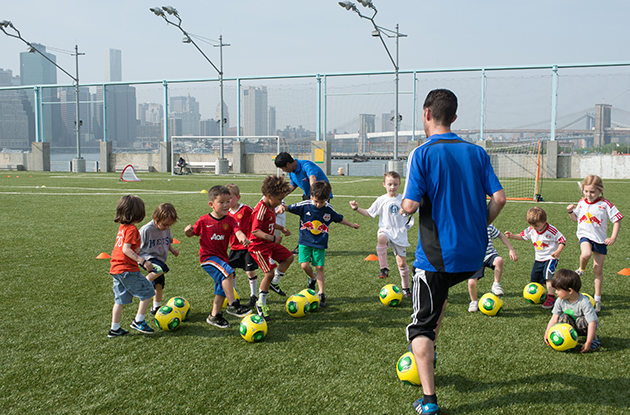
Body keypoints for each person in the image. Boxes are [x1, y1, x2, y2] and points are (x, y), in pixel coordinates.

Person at [401, 89, 506, 415]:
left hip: (435, 257)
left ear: (426, 114)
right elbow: (499, 199)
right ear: (455, 118)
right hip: (473, 257)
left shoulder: (422, 154)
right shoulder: (477, 152)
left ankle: (430, 400)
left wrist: (404, 205)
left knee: (419, 327)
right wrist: (478, 227)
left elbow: (410, 204)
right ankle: (429, 353)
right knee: (439, 300)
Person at [281, 181, 359, 307]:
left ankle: (321, 293)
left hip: (320, 243)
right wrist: (281, 207)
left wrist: (351, 224)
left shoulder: (328, 209)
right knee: (304, 265)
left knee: (320, 267)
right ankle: (312, 278)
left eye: (322, 202)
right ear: (311, 196)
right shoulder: (305, 205)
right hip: (304, 242)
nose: (318, 205)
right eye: (316, 201)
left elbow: (338, 218)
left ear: (327, 199)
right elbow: (289, 207)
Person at [184, 185, 251, 329]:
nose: (226, 205)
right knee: (228, 272)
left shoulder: (230, 220)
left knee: (222, 287)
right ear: (211, 204)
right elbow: (191, 233)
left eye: (228, 201)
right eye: (222, 202)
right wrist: (187, 230)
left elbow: (238, 232)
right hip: (208, 258)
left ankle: (214, 316)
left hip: (221, 259)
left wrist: (243, 238)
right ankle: (233, 305)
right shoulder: (203, 220)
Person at [349, 171, 414, 297]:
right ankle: (384, 268)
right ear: (384, 184)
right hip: (386, 229)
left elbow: (411, 212)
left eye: (395, 184)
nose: (392, 187)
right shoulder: (381, 200)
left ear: (399, 184)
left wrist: (405, 211)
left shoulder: (403, 199)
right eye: (389, 184)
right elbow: (369, 213)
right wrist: (356, 208)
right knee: (381, 237)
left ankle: (406, 288)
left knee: (402, 264)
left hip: (400, 233)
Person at [567, 175, 622, 312]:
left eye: (592, 192)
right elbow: (575, 219)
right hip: (585, 236)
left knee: (598, 270)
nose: (589, 195)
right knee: (585, 254)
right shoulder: (581, 203)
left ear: (600, 191)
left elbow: (617, 220)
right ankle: (581, 269)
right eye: (586, 191)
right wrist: (570, 211)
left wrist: (613, 237)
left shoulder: (605, 204)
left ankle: (597, 299)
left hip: (600, 239)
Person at [108, 195, 157, 337]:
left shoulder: (122, 227)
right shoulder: (131, 229)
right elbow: (126, 249)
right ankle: (138, 320)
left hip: (115, 269)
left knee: (119, 300)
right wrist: (143, 261)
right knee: (148, 291)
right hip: (126, 269)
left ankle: (115, 328)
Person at [248, 175, 295, 321]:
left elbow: (269, 223)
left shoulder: (270, 206)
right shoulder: (260, 210)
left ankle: (274, 284)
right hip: (258, 246)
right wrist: (273, 238)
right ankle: (260, 304)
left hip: (268, 244)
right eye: (280, 199)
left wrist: (282, 228)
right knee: (268, 273)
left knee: (288, 257)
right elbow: (255, 231)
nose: (281, 202)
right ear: (269, 196)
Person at [505, 206, 566, 309]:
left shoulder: (551, 230)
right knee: (535, 279)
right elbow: (522, 236)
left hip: (551, 258)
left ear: (544, 221)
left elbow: (562, 240)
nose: (534, 227)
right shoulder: (531, 229)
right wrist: (512, 236)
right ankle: (541, 295)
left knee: (548, 276)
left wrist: (558, 251)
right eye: (532, 225)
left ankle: (551, 297)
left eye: (536, 225)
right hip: (539, 258)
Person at [544, 269, 600, 352]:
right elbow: (554, 318)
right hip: (572, 326)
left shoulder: (584, 302)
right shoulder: (560, 300)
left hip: (584, 327)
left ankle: (594, 340)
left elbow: (592, 323)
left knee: (582, 320)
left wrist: (588, 342)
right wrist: (548, 332)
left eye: (558, 290)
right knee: (563, 317)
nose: (556, 292)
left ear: (570, 291)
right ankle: (569, 339)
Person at [139, 203, 180, 315]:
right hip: (147, 258)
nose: (167, 227)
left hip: (160, 260)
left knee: (159, 285)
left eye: (169, 225)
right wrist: (141, 261)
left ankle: (156, 307)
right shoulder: (146, 229)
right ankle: (143, 283)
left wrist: (172, 250)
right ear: (156, 218)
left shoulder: (167, 228)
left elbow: (167, 241)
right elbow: (136, 247)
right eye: (165, 224)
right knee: (163, 268)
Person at [467, 224, 517, 312]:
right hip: (475, 259)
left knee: (499, 260)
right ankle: (474, 301)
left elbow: (500, 235)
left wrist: (511, 249)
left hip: (489, 254)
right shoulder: (466, 227)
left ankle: (496, 284)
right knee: (471, 283)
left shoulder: (487, 225)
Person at [226, 183, 260, 308]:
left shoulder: (245, 209)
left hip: (247, 248)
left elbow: (255, 222)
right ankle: (235, 293)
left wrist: (251, 238)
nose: (228, 202)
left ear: (238, 197)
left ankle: (253, 295)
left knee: (250, 272)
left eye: (230, 198)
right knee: (230, 272)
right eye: (225, 199)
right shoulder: (226, 214)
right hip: (234, 248)